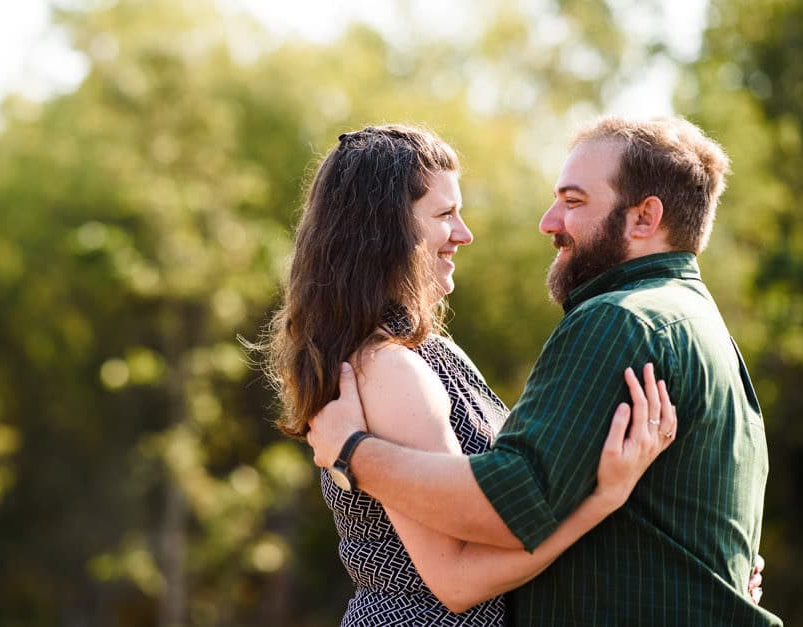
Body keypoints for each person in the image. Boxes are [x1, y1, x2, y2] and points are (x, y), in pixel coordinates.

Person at [306, 117, 781, 626]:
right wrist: (610, 505)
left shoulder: (620, 321)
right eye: (446, 213)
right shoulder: (704, 329)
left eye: (573, 202)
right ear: (385, 232)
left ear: (645, 218)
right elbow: (465, 567)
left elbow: (512, 502)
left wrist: (352, 453)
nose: (548, 222)